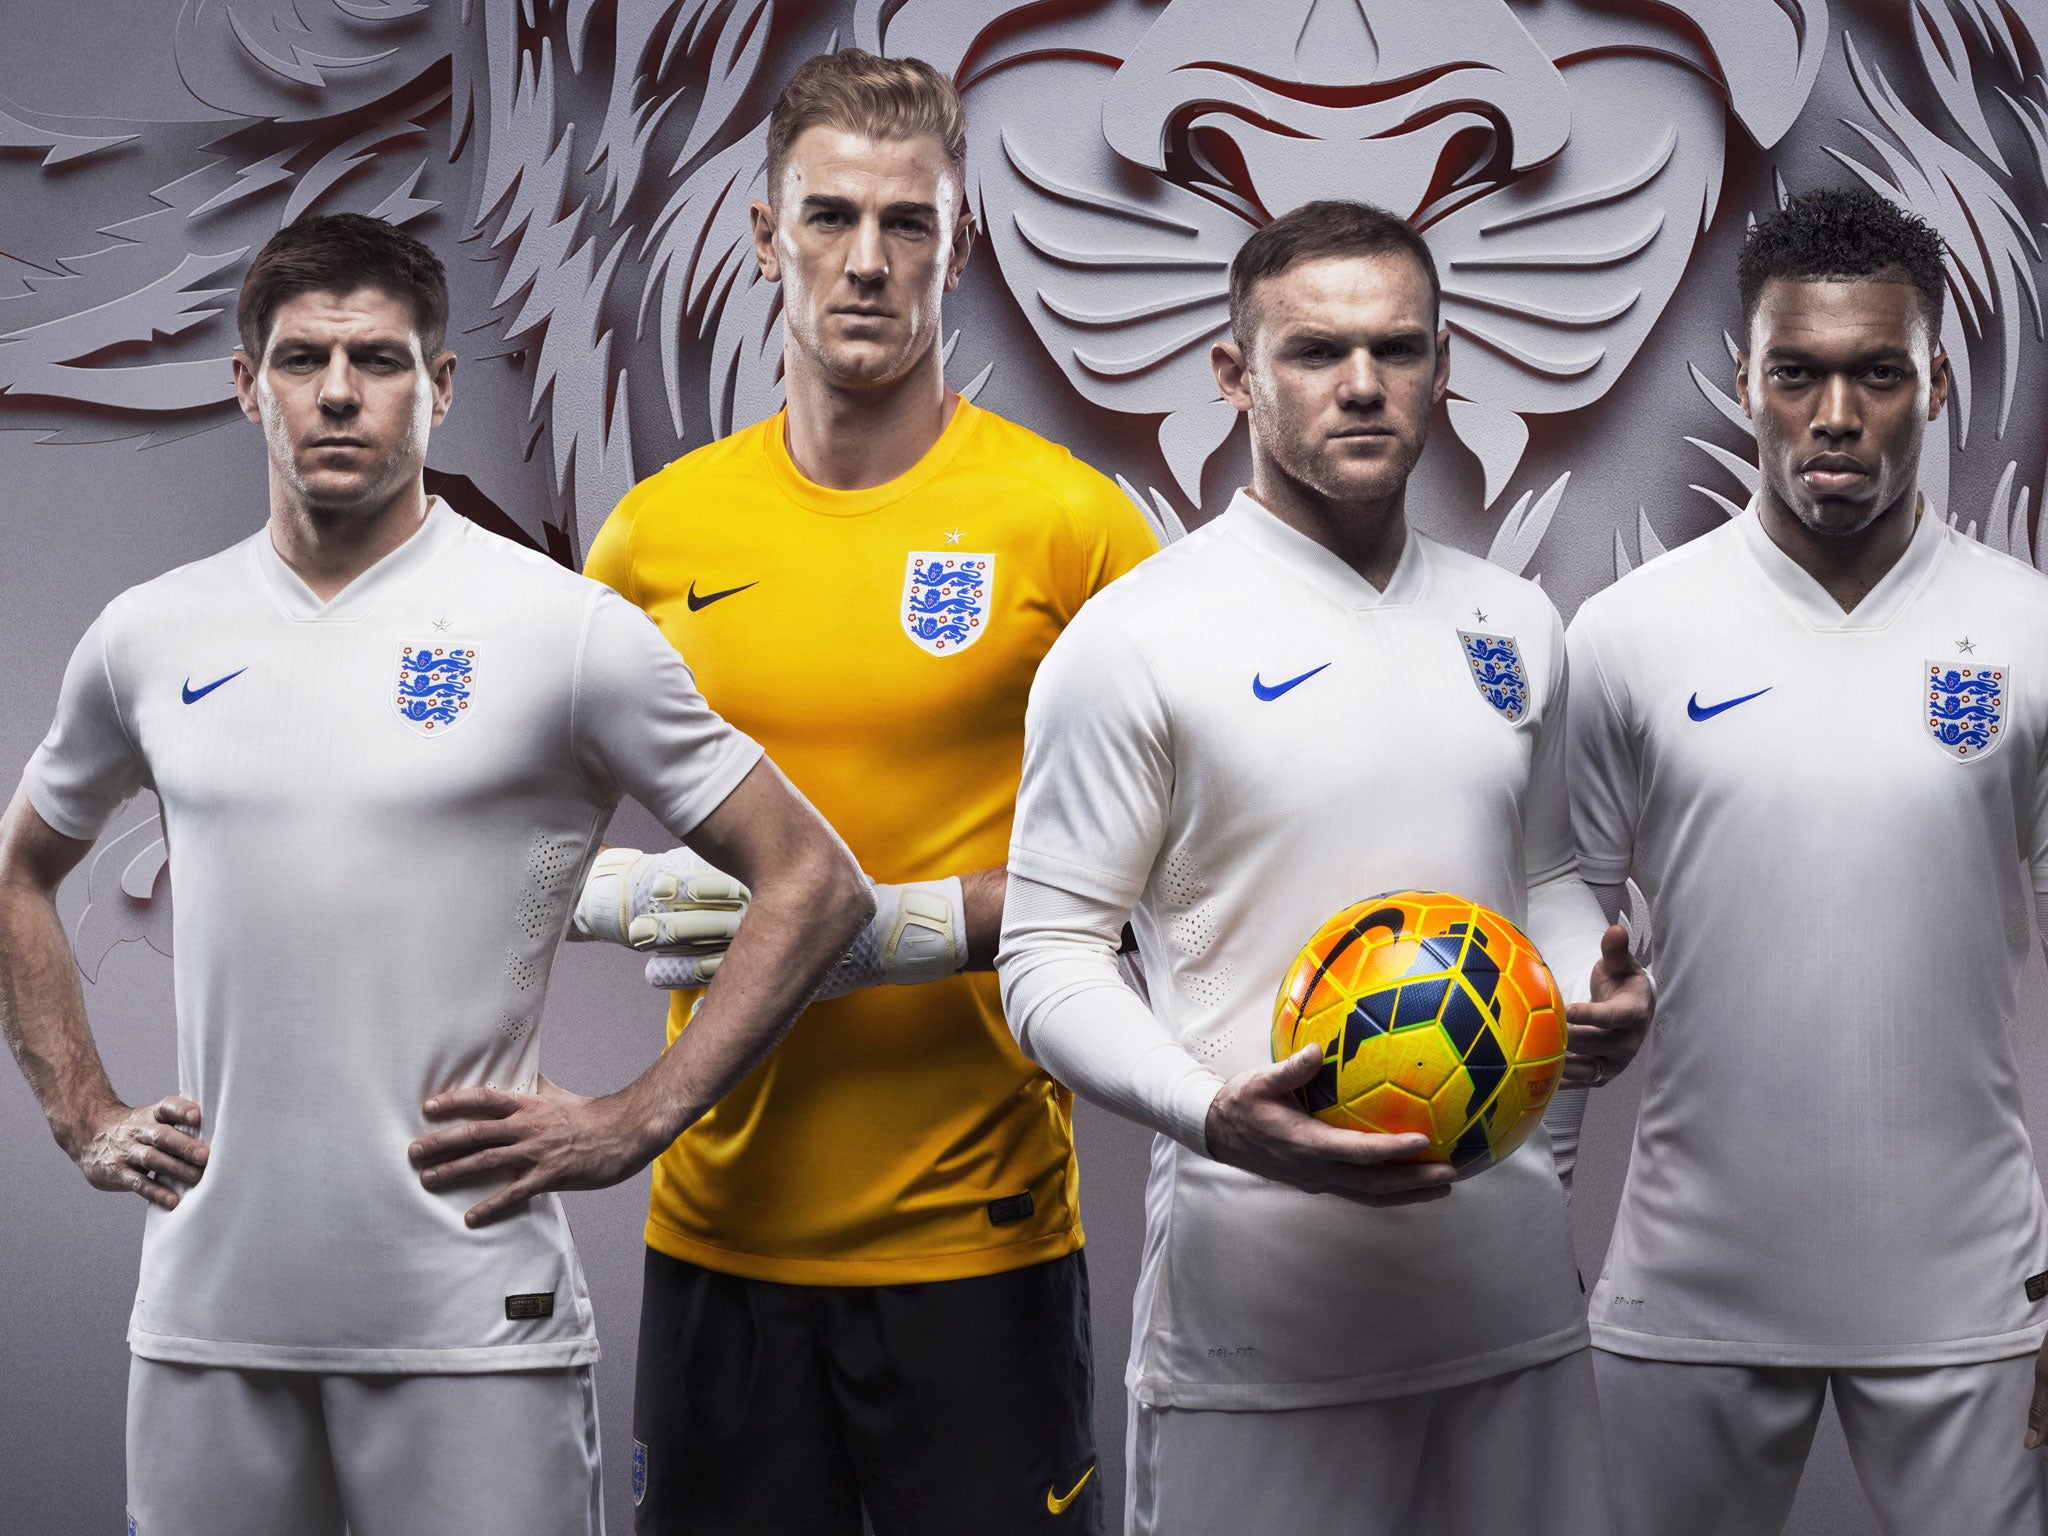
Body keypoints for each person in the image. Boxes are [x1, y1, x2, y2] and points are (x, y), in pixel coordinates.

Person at [0, 212, 873, 1536]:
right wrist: (84, 1114)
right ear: (248, 387)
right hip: (208, 1324)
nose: (339, 393)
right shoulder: (149, 636)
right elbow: (20, 873)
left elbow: (815, 880)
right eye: (301, 360)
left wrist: (636, 1114)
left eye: (380, 359)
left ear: (441, 385)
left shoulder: (563, 632)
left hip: (476, 1322)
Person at [994, 198, 1652, 1536]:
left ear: (1442, 367)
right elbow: (1046, 960)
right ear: (1235, 375)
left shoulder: (1511, 619)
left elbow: (1540, 874)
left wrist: (1592, 982)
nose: (1363, 384)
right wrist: (1213, 1111)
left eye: (1399, 349)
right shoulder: (1137, 645)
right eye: (1314, 352)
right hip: (1259, 1332)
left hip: (1509, 1301)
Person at [572, 48, 1157, 1536]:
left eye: (910, 226)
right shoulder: (654, 537)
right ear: (766, 240)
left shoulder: (1072, 531)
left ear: (957, 249)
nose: (868, 263)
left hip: (979, 1244)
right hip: (719, 1232)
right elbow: (508, 850)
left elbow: (1173, 883)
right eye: (829, 219)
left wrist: (886, 926)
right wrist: (609, 899)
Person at [1567, 184, 2048, 1533]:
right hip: (1687, 1294)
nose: (1836, 413)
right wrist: (1527, 1244)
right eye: (1799, 373)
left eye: (1877, 374)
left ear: (1936, 381)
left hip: (1974, 1294)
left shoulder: (2029, 632)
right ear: (1746, 382)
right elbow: (1555, 933)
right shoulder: (1629, 634)